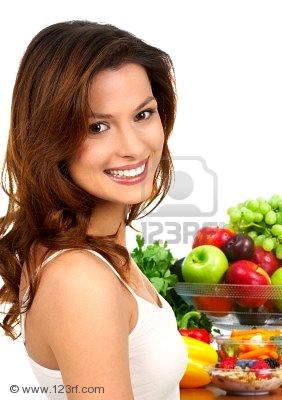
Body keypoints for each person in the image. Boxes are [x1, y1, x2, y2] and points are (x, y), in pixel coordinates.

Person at [0, 20, 188, 400]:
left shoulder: (99, 247)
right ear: (50, 138)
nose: (134, 147)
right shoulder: (80, 279)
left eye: (143, 114)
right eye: (98, 126)